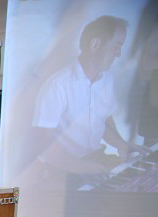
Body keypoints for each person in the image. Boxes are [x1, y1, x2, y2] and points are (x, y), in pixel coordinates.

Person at [31, 15, 146, 180]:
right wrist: (81, 167)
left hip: (95, 160)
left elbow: (105, 121)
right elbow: (42, 145)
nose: (119, 54)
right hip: (62, 172)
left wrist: (122, 144)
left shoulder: (107, 80)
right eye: (116, 46)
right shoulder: (57, 85)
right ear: (95, 44)